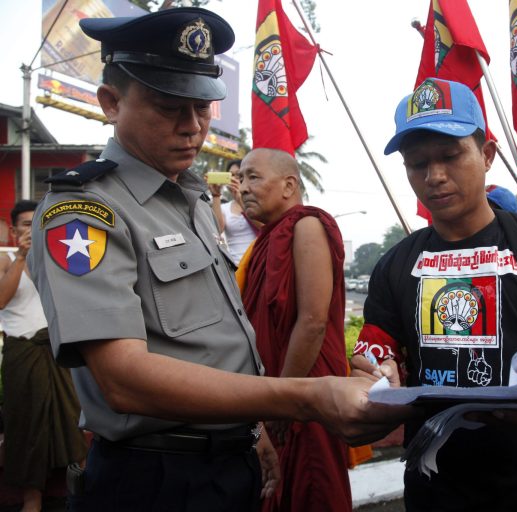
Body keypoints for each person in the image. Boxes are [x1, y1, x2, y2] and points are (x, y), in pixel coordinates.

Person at [27, 8, 410, 511]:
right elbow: (122, 380)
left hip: (226, 463)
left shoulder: (186, 202)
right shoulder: (86, 212)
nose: (192, 127)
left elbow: (211, 341)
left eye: (203, 107)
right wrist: (303, 395)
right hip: (154, 479)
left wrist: (251, 431)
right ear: (111, 102)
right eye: (169, 107)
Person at [351, 78, 517, 511]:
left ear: (487, 155)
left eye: (451, 156)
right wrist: (374, 376)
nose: (435, 177)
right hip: (436, 489)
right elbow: (377, 356)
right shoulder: (395, 265)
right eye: (418, 164)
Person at [235, 148, 352, 512]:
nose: (243, 188)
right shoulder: (266, 240)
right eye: (241, 179)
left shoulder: (307, 225)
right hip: (278, 395)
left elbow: (313, 321)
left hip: (304, 395)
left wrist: (283, 401)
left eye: (253, 177)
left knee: (310, 491)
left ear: (288, 186)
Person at [0, 200, 88, 512]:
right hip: (22, 351)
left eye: (36, 223)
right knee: (26, 424)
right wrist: (23, 255)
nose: (31, 229)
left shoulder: (59, 256)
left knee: (72, 418)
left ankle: (81, 491)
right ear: (14, 230)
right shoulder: (6, 259)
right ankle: (31, 499)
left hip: (58, 348)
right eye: (25, 224)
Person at [208, 159, 260, 265]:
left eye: (238, 175)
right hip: (235, 266)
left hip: (257, 263)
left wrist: (241, 200)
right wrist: (216, 196)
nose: (234, 179)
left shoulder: (258, 203)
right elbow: (218, 230)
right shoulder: (225, 207)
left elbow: (264, 227)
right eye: (230, 175)